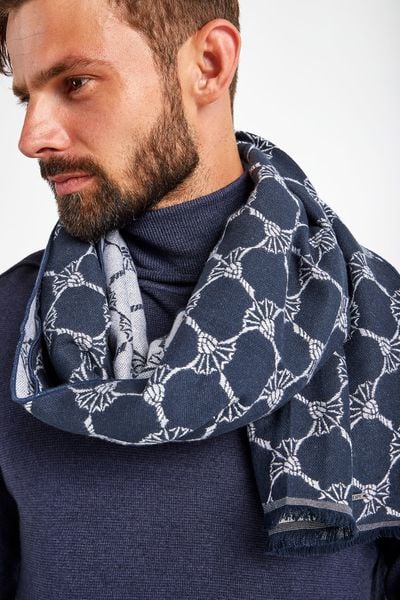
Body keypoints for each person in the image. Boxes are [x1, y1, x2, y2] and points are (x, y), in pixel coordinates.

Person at [0, 0, 399, 598]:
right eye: (26, 98)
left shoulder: (379, 324)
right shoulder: (10, 327)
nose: (32, 138)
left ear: (209, 64)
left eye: (75, 83)